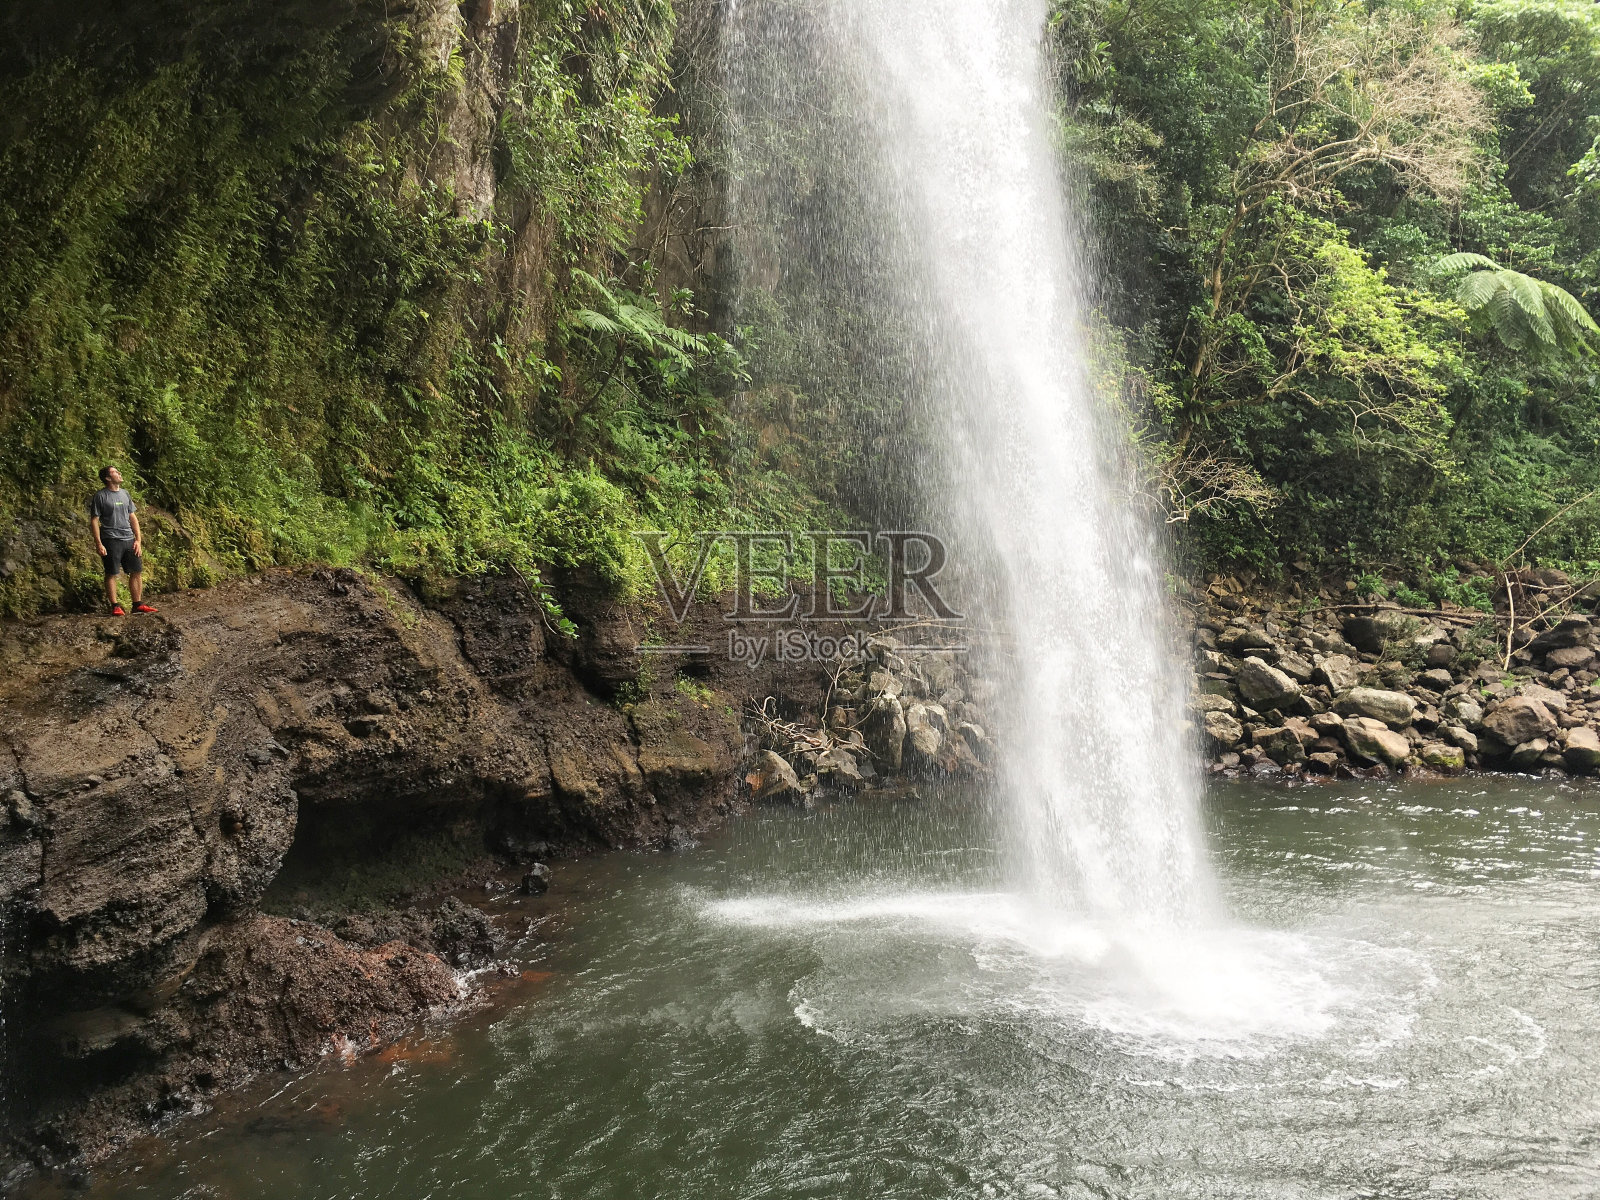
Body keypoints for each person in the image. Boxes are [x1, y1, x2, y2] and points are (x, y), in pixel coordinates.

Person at [88, 466, 157, 616]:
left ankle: (137, 604)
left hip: (129, 539)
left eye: (119, 471)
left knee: (136, 571)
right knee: (111, 572)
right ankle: (115, 606)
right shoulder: (100, 496)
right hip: (110, 539)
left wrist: (138, 539)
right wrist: (98, 543)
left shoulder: (125, 494)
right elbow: (94, 520)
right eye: (115, 472)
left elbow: (132, 517)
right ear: (107, 478)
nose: (119, 473)